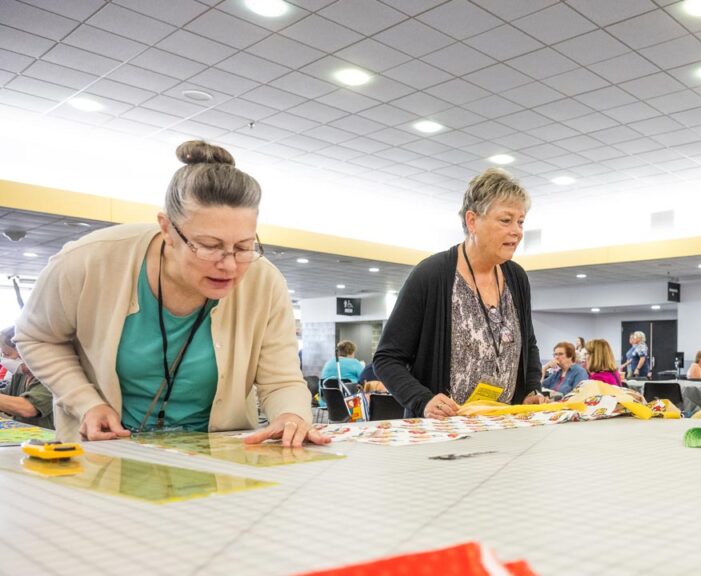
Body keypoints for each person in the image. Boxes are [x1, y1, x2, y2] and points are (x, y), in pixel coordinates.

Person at [15, 141, 326, 446]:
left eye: (244, 246)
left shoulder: (265, 281)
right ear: (167, 229)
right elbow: (37, 337)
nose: (229, 265)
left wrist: (291, 415)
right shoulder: (89, 260)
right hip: (105, 450)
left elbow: (281, 380)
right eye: (209, 246)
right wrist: (86, 402)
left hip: (217, 459)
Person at [373, 169, 546, 418]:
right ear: (472, 221)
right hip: (444, 431)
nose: (517, 231)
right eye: (506, 220)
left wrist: (531, 389)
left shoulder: (516, 277)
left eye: (521, 222)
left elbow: (528, 345)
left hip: (504, 427)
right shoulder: (431, 275)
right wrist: (422, 400)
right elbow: (387, 358)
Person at [0, 326, 54, 428]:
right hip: (25, 438)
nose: (4, 360)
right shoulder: (21, 375)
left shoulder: (50, 375)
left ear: (25, 352)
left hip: (52, 440)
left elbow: (28, 408)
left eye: (7, 354)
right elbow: (6, 396)